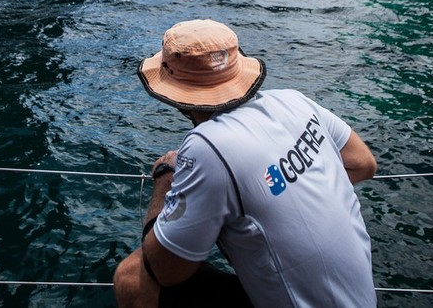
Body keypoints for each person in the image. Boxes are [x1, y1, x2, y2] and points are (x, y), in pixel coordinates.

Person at [113, 19, 378, 308]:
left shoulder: (207, 145)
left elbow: (165, 271)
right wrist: (287, 185)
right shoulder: (294, 101)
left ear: (176, 96)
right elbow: (363, 163)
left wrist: (165, 177)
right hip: (361, 300)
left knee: (131, 276)